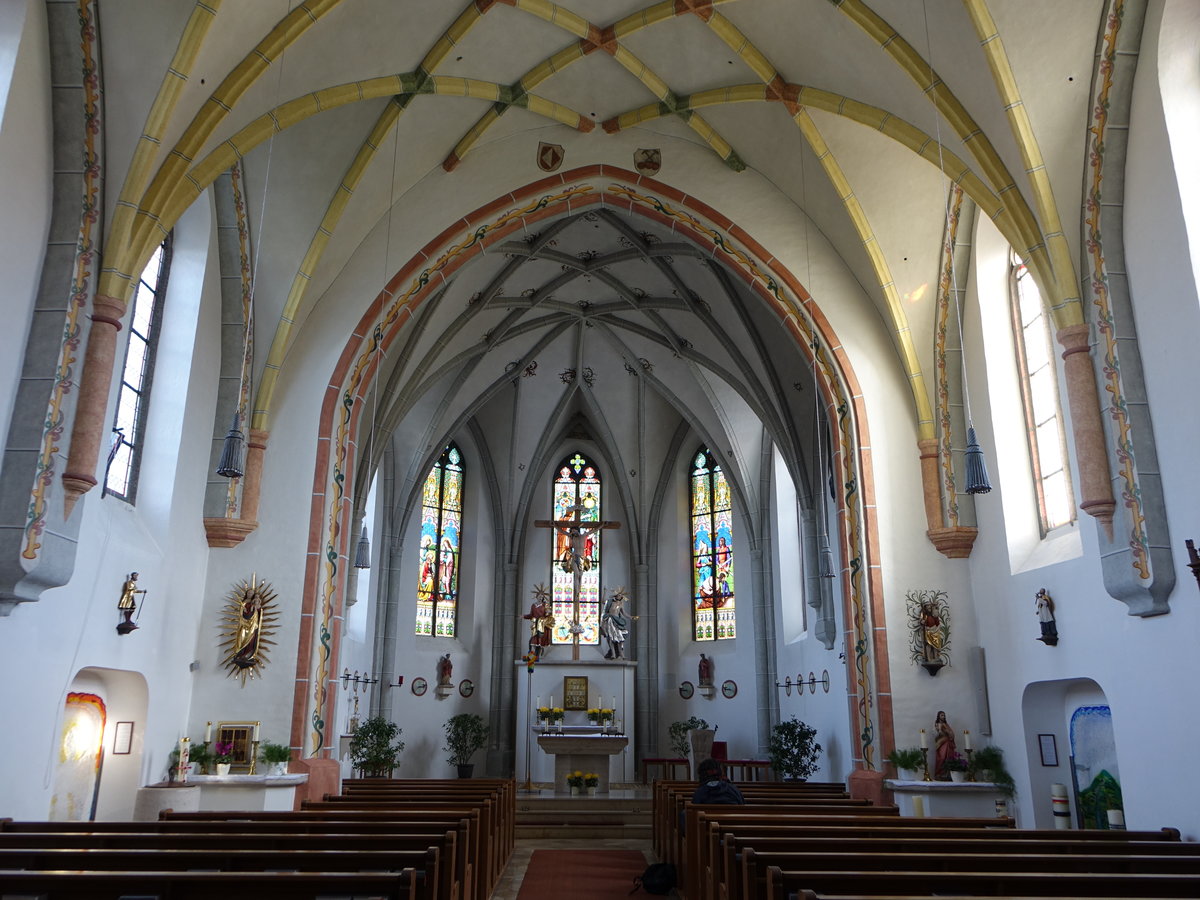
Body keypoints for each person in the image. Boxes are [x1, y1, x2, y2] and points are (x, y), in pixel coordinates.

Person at [523, 584, 554, 658]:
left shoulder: (545, 605)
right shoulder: (533, 605)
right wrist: (523, 616)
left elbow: (548, 614)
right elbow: (531, 615)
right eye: (539, 596)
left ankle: (537, 656)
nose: (541, 597)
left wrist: (548, 612)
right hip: (535, 624)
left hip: (542, 624)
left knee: (539, 640)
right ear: (536, 597)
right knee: (532, 640)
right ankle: (531, 655)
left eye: (542, 596)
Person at [601, 587, 629, 659]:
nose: (620, 596)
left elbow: (624, 613)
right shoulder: (610, 602)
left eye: (621, 595)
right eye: (618, 595)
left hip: (617, 621)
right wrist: (604, 592)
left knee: (620, 637)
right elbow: (603, 601)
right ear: (616, 596)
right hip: (610, 621)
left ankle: (621, 654)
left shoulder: (620, 604)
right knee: (611, 637)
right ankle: (613, 654)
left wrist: (631, 617)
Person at [934, 710, 957, 779]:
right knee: (942, 758)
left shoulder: (946, 725)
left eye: (944, 715)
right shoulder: (937, 724)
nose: (943, 717)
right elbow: (936, 735)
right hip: (941, 743)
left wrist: (948, 731)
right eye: (942, 715)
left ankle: (947, 774)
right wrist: (940, 730)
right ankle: (939, 774)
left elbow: (952, 734)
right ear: (938, 716)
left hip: (948, 743)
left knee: (948, 758)